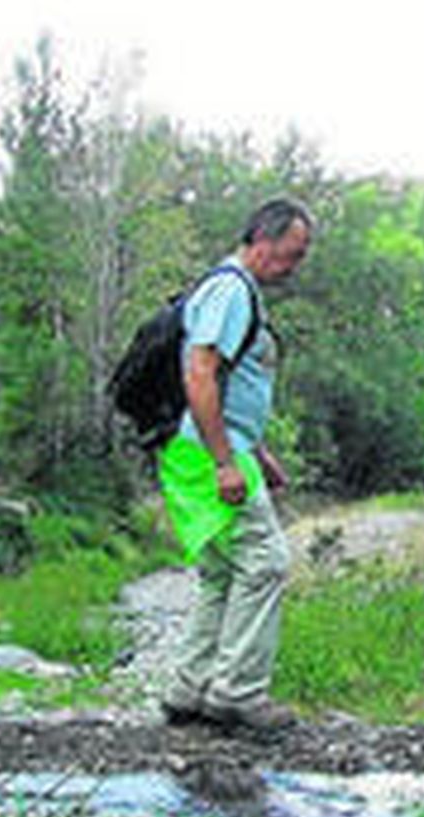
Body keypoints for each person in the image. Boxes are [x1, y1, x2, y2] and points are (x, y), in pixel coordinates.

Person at [157, 198, 313, 739]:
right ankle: (238, 695)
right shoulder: (232, 291)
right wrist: (227, 461)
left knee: (223, 572)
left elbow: (229, 384)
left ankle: (189, 689)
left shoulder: (226, 288)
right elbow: (199, 376)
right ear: (263, 241)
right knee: (265, 561)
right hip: (207, 454)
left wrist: (256, 449)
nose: (294, 266)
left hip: (199, 450)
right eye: (292, 254)